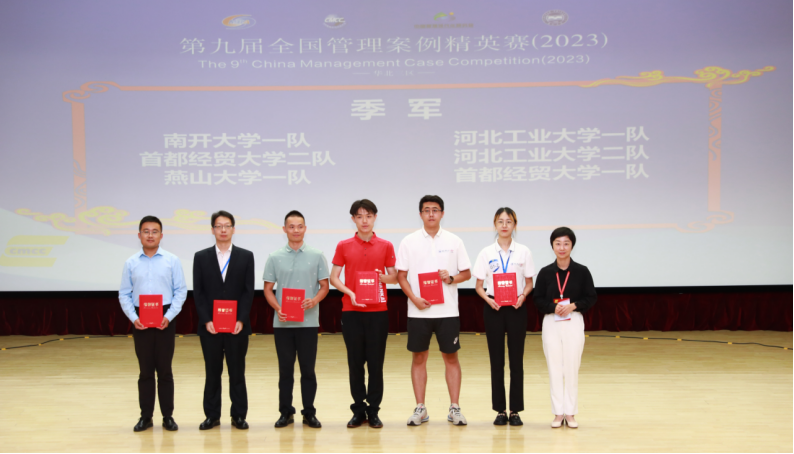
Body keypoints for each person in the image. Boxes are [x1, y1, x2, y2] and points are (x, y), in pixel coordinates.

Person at [396, 195, 472, 426]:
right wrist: (414, 299)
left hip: (447, 312)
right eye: (427, 210)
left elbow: (466, 273)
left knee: (451, 358)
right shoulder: (408, 241)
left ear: (442, 213)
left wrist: (451, 278)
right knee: (419, 358)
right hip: (418, 311)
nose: (431, 214)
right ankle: (420, 408)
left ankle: (454, 408)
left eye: (435, 210)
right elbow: (401, 276)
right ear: (420, 214)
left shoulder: (454, 241)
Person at [329, 199, 397, 429]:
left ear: (375, 217)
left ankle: (374, 411)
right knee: (355, 363)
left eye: (368, 216)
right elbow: (334, 277)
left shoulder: (386, 245)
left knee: (376, 364)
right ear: (353, 219)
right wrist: (350, 293)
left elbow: (395, 277)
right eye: (359, 216)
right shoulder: (343, 245)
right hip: (352, 311)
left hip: (378, 312)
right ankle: (358, 410)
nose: (364, 220)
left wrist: (381, 278)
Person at [119, 216, 187, 433]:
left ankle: (168, 416)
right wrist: (134, 318)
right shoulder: (131, 263)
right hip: (140, 319)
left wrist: (169, 315)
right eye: (146, 231)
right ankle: (146, 417)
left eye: (154, 231)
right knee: (145, 371)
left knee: (165, 370)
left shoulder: (172, 260)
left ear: (161, 235)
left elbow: (181, 291)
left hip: (165, 318)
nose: (150, 235)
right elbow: (124, 293)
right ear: (139, 235)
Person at [263, 210, 330, 429]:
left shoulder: (317, 255)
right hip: (283, 323)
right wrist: (278, 308)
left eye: (300, 226)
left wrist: (314, 300)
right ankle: (286, 412)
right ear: (284, 229)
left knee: (308, 370)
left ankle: (309, 412)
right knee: (285, 371)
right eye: (291, 227)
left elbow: (324, 286)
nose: (295, 230)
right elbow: (267, 289)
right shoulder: (274, 257)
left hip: (308, 323)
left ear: (305, 228)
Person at [472, 208, 536, 426]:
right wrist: (488, 300)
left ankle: (515, 410)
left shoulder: (524, 251)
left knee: (516, 360)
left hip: (517, 308)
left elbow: (529, 283)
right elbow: (478, 286)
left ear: (514, 225)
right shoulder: (486, 253)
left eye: (509, 221)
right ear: (495, 224)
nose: (504, 225)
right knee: (496, 360)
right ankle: (500, 410)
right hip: (494, 308)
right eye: (500, 221)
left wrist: (523, 296)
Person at [193, 210, 255, 431]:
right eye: (218, 226)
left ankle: (238, 415)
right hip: (210, 327)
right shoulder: (201, 257)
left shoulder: (246, 256)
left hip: (237, 326)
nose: (223, 230)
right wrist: (206, 319)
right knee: (212, 372)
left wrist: (242, 319)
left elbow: (248, 291)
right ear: (212, 230)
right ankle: (212, 416)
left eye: (227, 226)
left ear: (233, 229)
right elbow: (198, 292)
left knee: (237, 372)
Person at [533, 227, 597, 429]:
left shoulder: (582, 271)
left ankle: (570, 413)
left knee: (571, 367)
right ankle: (557, 413)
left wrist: (574, 306)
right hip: (551, 321)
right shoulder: (545, 272)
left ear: (572, 246)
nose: (562, 248)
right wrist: (553, 307)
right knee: (554, 367)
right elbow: (537, 299)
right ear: (552, 246)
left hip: (573, 320)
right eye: (558, 243)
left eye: (566, 243)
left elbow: (591, 297)